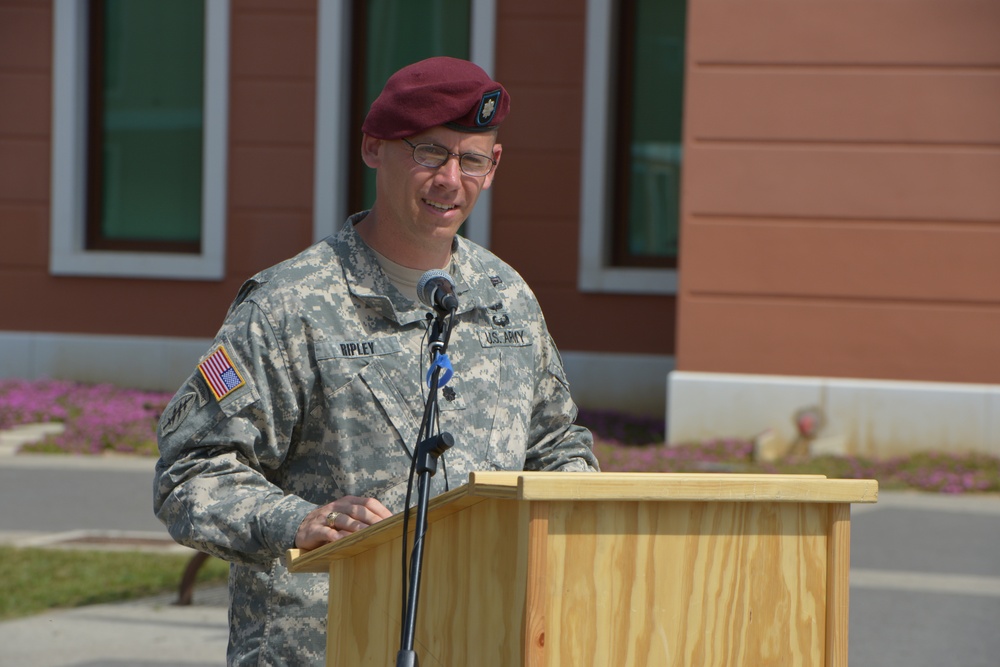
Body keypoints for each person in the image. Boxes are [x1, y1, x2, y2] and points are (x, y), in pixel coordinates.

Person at [153, 56, 600, 667]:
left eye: (471, 159)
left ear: (493, 167)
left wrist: (580, 512)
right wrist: (297, 521)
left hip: (478, 637)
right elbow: (191, 475)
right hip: (325, 646)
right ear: (373, 149)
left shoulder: (505, 296)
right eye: (428, 153)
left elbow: (555, 444)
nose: (450, 179)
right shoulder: (292, 306)